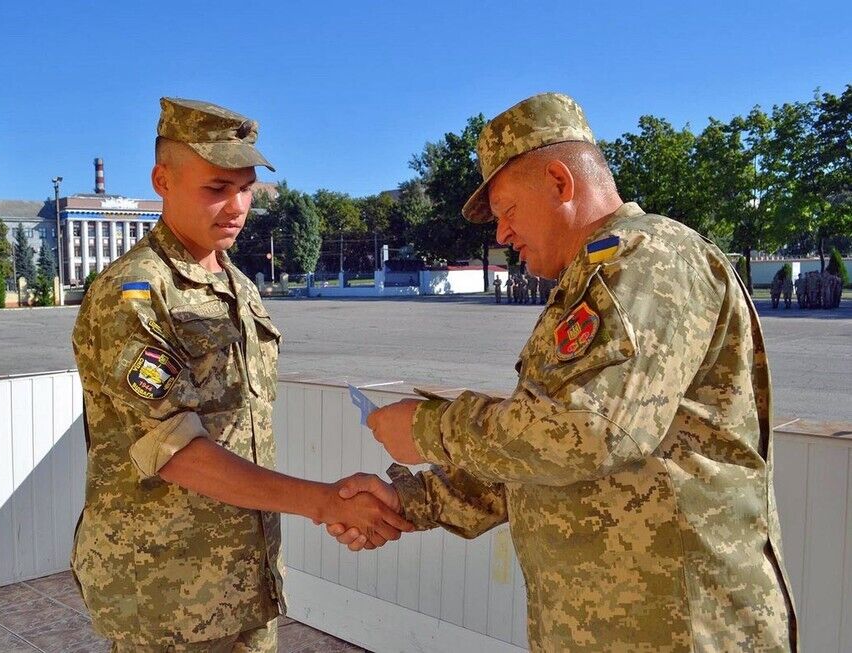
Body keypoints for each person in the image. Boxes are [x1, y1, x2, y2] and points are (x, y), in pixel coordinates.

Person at [327, 92, 797, 652]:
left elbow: (590, 433)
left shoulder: (650, 260)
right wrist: (409, 501)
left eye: (507, 211)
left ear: (559, 181)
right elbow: (542, 452)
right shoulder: (594, 278)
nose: (502, 235)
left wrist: (430, 428)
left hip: (683, 630)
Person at [71, 97, 411, 652]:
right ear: (162, 181)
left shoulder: (238, 285)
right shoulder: (133, 292)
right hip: (165, 594)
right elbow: (174, 449)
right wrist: (325, 502)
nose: (237, 207)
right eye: (216, 188)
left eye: (246, 188)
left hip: (247, 579)